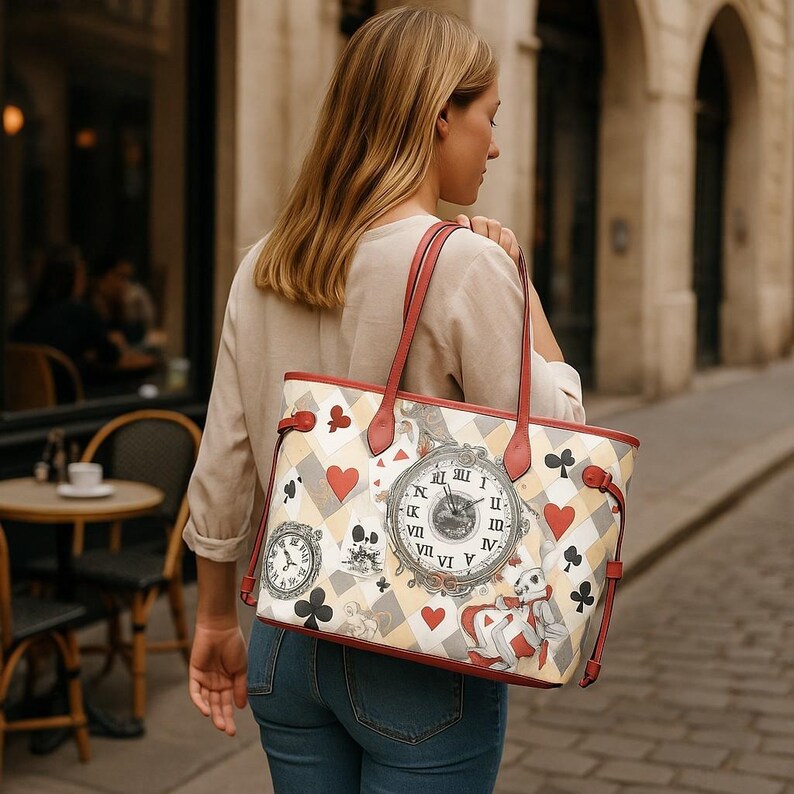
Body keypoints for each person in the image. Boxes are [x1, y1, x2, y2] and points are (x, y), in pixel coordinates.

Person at [183, 7, 585, 793]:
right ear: (440, 116)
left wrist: (213, 621)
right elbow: (558, 438)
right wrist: (520, 281)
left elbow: (225, 459)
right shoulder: (465, 262)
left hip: (282, 633)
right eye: (489, 117)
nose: (495, 144)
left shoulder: (264, 263)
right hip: (419, 652)